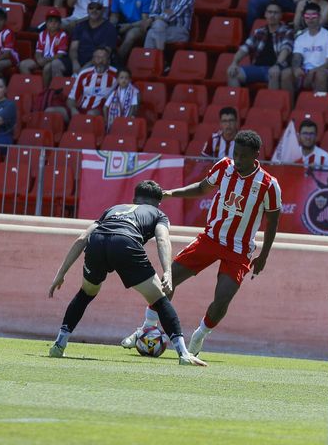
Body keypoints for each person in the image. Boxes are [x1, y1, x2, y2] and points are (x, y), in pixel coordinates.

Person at [118, 129, 281, 359]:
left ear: (256, 154)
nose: (238, 159)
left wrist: (264, 255)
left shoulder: (268, 184)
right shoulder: (224, 167)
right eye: (236, 153)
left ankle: (200, 334)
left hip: (239, 249)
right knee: (168, 278)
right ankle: (146, 328)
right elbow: (202, 188)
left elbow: (273, 221)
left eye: (244, 156)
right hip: (210, 238)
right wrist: (171, 194)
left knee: (222, 299)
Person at [46, 180, 206, 365]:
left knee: (86, 293)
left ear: (134, 198)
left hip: (97, 242)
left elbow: (82, 238)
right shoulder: (159, 214)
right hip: (126, 242)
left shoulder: (114, 209)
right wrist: (168, 272)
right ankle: (183, 354)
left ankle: (59, 345)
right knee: (160, 300)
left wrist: (61, 273)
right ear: (158, 202)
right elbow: (162, 240)